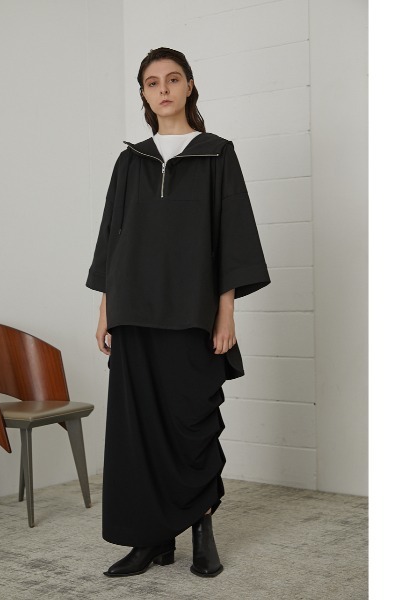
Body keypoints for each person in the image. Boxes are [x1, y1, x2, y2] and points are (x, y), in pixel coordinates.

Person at [85, 47, 271, 578]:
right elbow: (113, 237)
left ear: (190, 86)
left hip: (192, 311)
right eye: (152, 82)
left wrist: (225, 313)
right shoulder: (131, 161)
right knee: (138, 429)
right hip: (133, 310)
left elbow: (231, 235)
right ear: (143, 95)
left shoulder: (217, 154)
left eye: (172, 79)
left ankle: (201, 528)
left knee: (192, 424)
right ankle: (151, 539)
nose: (163, 89)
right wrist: (105, 309)